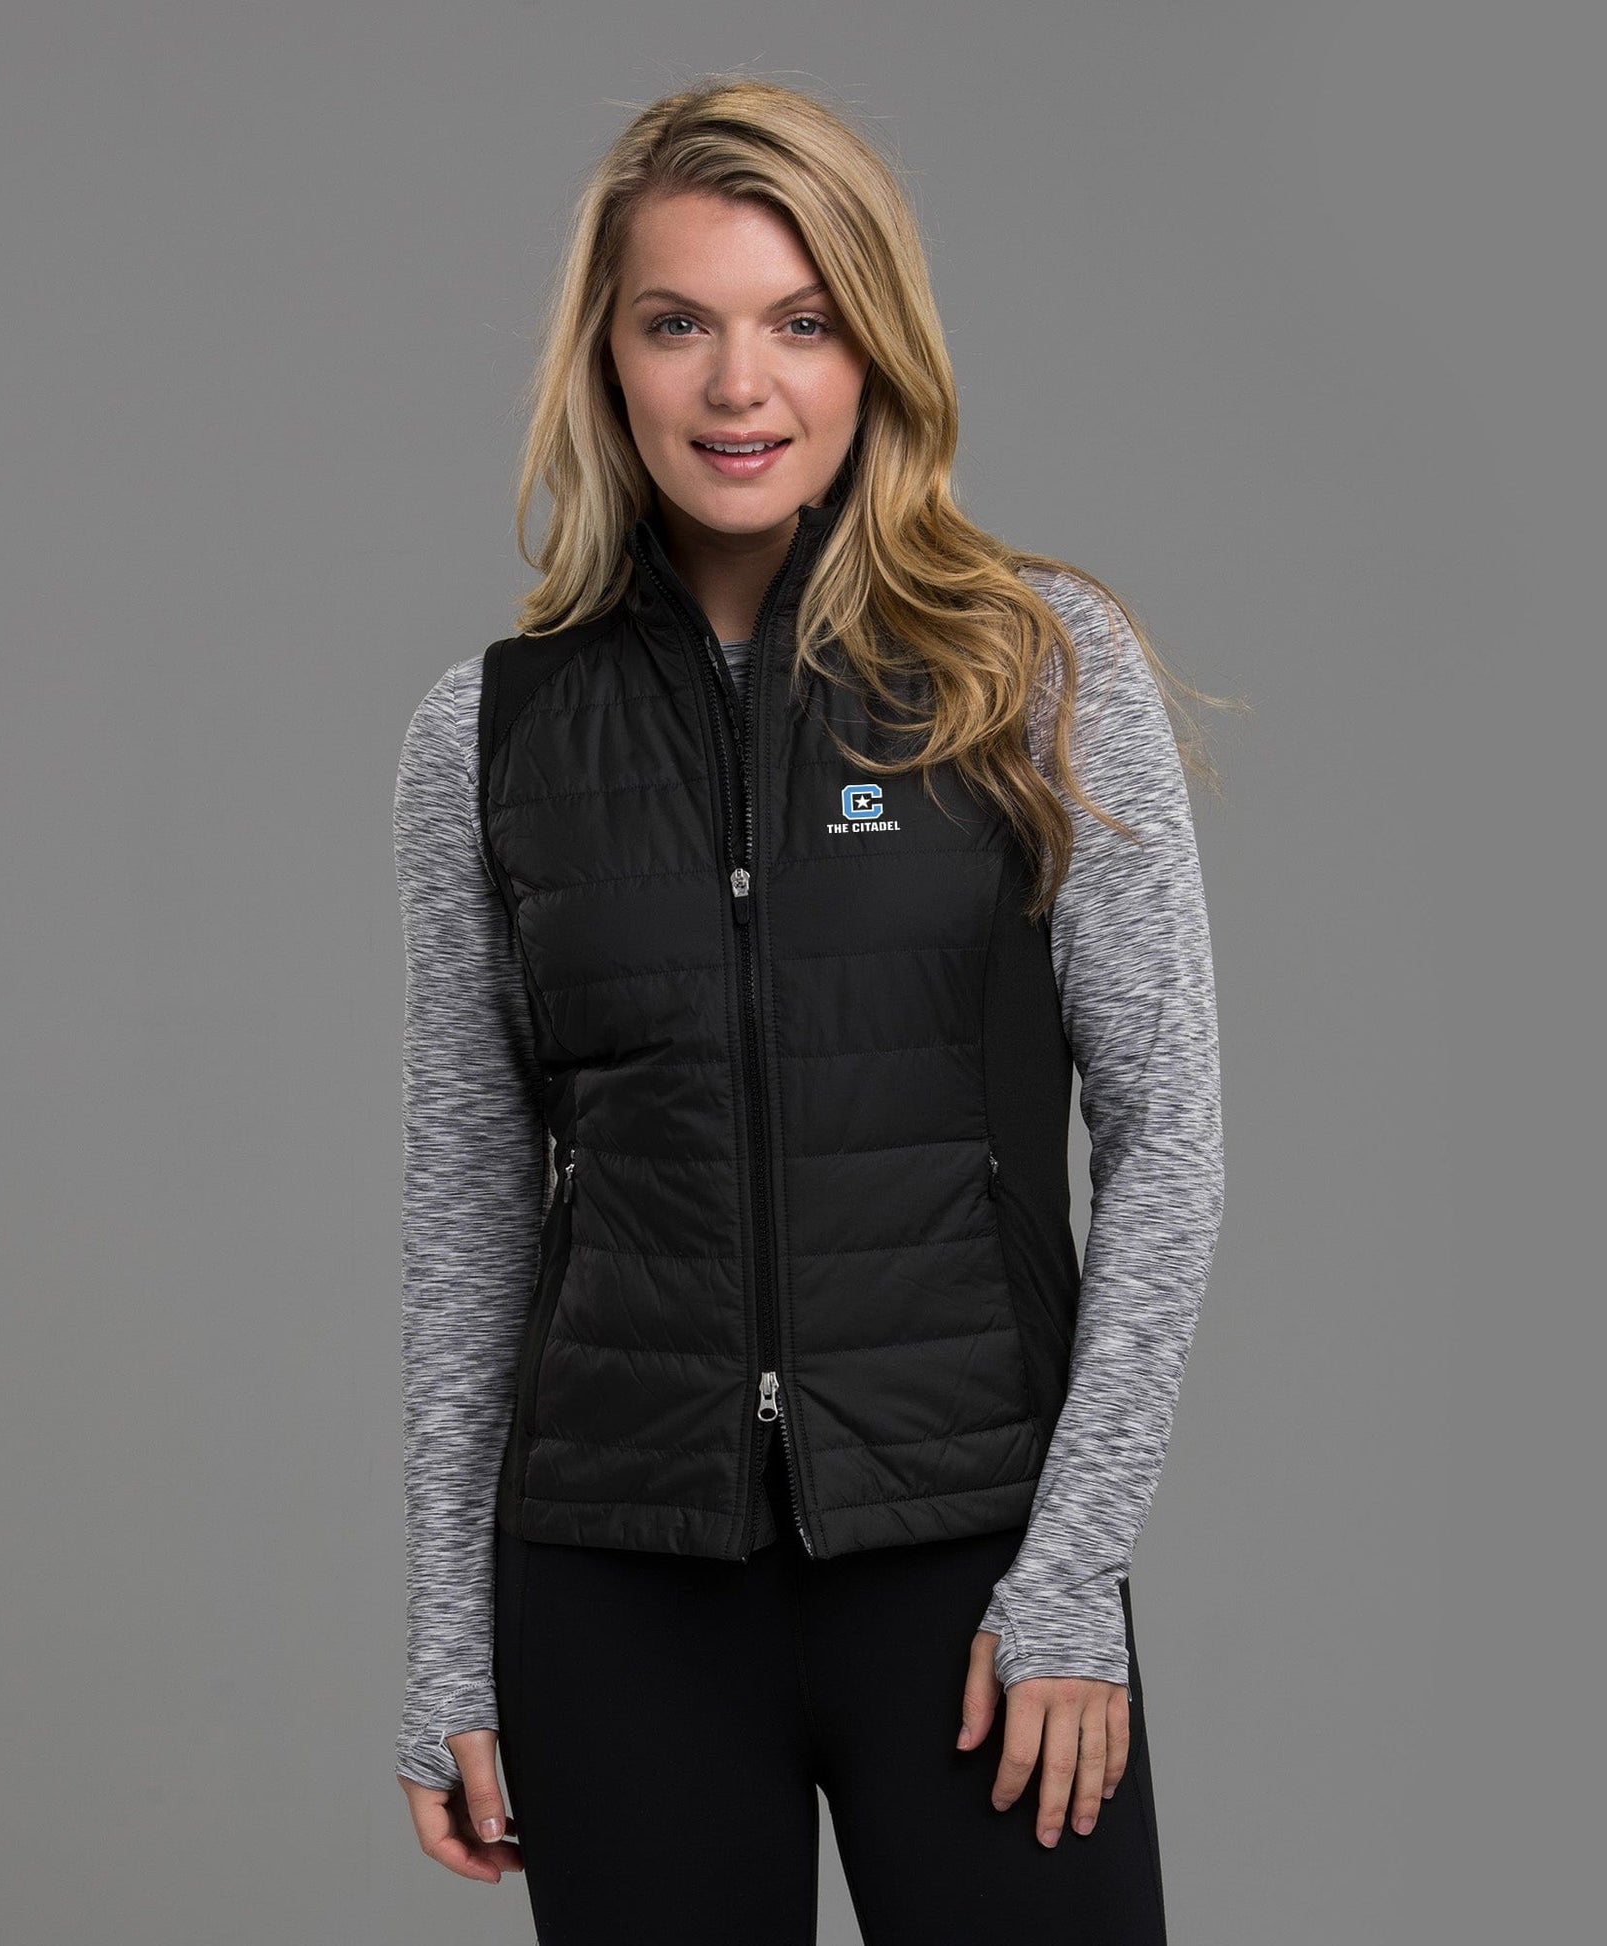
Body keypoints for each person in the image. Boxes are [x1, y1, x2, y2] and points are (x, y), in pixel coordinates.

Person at [392, 75, 1226, 1946]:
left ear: (876, 351)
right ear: (604, 359)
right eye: (675, 323)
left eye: (799, 321)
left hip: (973, 1570)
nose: (737, 385)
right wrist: (450, 1638)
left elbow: (1167, 1140)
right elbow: (469, 1206)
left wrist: (1070, 1576)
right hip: (616, 1588)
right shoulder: (489, 735)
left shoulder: (1031, 671)